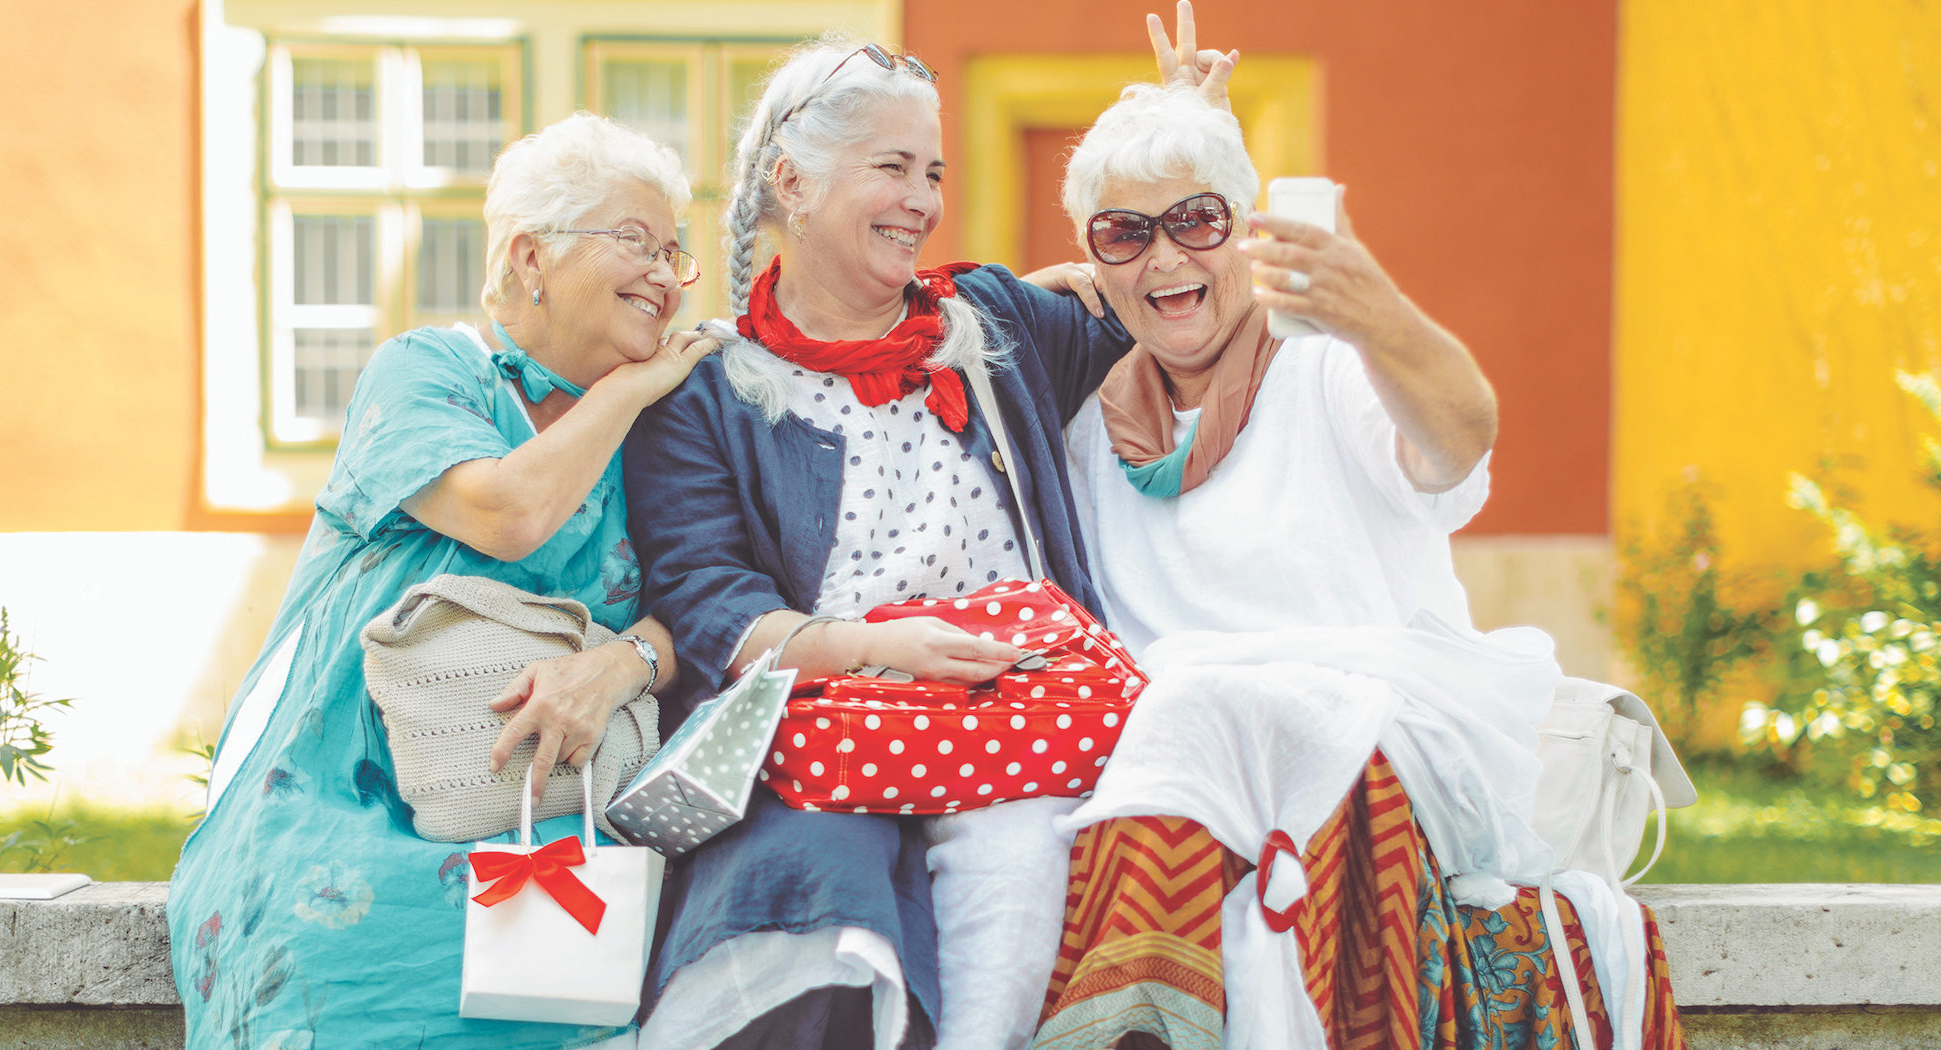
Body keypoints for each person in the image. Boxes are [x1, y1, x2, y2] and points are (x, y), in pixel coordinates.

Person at [1026, 83, 1688, 1050]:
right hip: (1186, 780)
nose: (1165, 256)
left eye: (1198, 221)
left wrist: (1376, 315)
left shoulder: (1330, 367)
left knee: (1203, 710)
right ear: (1091, 257)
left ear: (1249, 230)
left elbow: (1457, 441)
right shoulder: (1092, 425)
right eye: (1123, 234)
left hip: (1376, 734)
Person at [617, 20, 1239, 1047]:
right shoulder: (708, 392)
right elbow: (708, 603)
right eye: (892, 167)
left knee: (1019, 857)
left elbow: (1155, 293)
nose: (922, 200)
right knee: (817, 895)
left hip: (1025, 707)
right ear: (793, 183)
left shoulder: (991, 324)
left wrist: (1185, 139)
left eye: (934, 171)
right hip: (839, 719)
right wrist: (873, 650)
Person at [167, 113, 720, 1048]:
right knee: (346, 952)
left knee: (595, 962)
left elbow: (705, 601)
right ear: (531, 256)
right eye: (634, 241)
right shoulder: (428, 371)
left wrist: (618, 665)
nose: (666, 276)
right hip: (340, 793)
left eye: (674, 251)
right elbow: (508, 514)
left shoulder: (672, 424)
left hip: (549, 800)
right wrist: (629, 390)